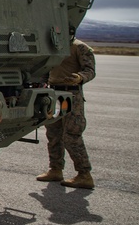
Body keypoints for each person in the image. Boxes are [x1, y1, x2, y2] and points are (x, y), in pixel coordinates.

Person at [36, 28, 96, 189]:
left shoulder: (79, 47)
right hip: (54, 93)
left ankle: (84, 174)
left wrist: (79, 78)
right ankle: (55, 169)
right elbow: (46, 69)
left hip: (70, 95)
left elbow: (90, 71)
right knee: (53, 133)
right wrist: (41, 83)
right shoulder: (54, 47)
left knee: (71, 134)